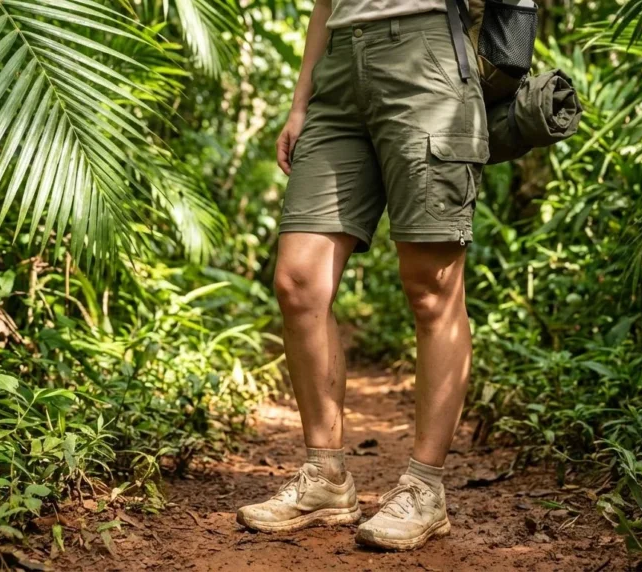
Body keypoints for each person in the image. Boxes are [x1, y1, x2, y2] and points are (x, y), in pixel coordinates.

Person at [236, 0, 487, 552]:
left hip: (429, 56)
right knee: (298, 280)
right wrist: (301, 103)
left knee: (431, 286)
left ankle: (424, 489)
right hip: (339, 64)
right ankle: (325, 479)